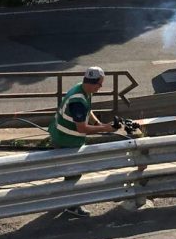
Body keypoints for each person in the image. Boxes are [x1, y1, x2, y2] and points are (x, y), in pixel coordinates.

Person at [50, 67, 125, 218]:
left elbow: (88, 112)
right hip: (67, 140)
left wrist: (98, 124)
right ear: (93, 83)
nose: (101, 87)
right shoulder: (78, 101)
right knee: (73, 173)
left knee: (70, 173)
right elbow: (82, 128)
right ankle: (72, 206)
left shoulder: (82, 88)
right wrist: (106, 128)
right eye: (100, 84)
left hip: (61, 134)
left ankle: (65, 201)